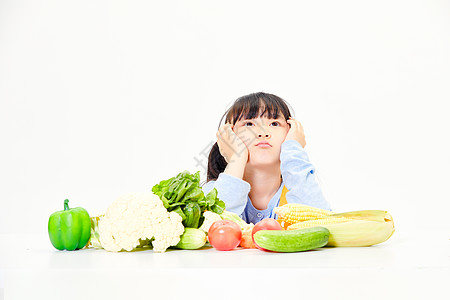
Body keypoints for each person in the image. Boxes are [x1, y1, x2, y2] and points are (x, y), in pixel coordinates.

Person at [202, 92, 331, 224]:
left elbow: (323, 226)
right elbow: (210, 227)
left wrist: (293, 150)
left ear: (291, 133)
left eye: (274, 124)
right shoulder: (214, 192)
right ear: (227, 136)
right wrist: (237, 158)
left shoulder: (299, 189)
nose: (263, 133)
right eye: (249, 124)